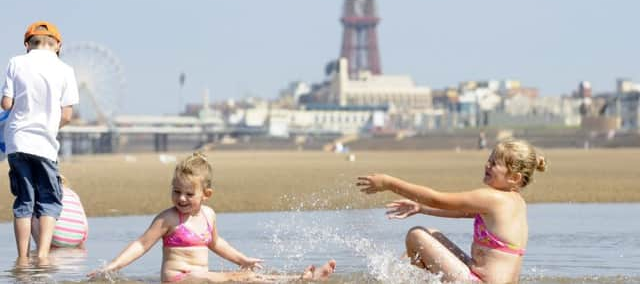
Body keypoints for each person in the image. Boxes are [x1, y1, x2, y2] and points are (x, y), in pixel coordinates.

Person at [88, 152, 336, 283]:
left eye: (189, 193)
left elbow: (216, 243)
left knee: (246, 276)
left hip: (203, 279)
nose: (181, 199)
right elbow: (141, 244)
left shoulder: (209, 215)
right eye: (176, 192)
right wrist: (113, 266)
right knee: (226, 279)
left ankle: (297, 279)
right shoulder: (168, 219)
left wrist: (242, 259)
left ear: (206, 194)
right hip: (180, 279)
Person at [357, 138, 546, 284]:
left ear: (514, 177)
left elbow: (436, 198)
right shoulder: (515, 202)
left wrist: (389, 183)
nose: (487, 165)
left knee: (416, 235)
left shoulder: (494, 198)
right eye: (489, 160)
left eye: (494, 164)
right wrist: (422, 209)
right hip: (481, 278)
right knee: (431, 233)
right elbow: (464, 212)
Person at [2, 21, 79, 260]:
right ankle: (43, 255)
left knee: (24, 200)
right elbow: (67, 114)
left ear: (27, 44)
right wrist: (48, 124)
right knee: (48, 199)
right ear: (58, 46)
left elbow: (6, 104)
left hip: (17, 140)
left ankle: (22, 258)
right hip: (44, 144)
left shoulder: (16, 62)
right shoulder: (65, 70)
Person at [32, 176, 89, 249]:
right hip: (78, 237)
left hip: (54, 236)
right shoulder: (73, 194)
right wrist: (82, 240)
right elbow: (84, 221)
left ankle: (42, 248)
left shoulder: (43, 192)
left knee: (31, 213)